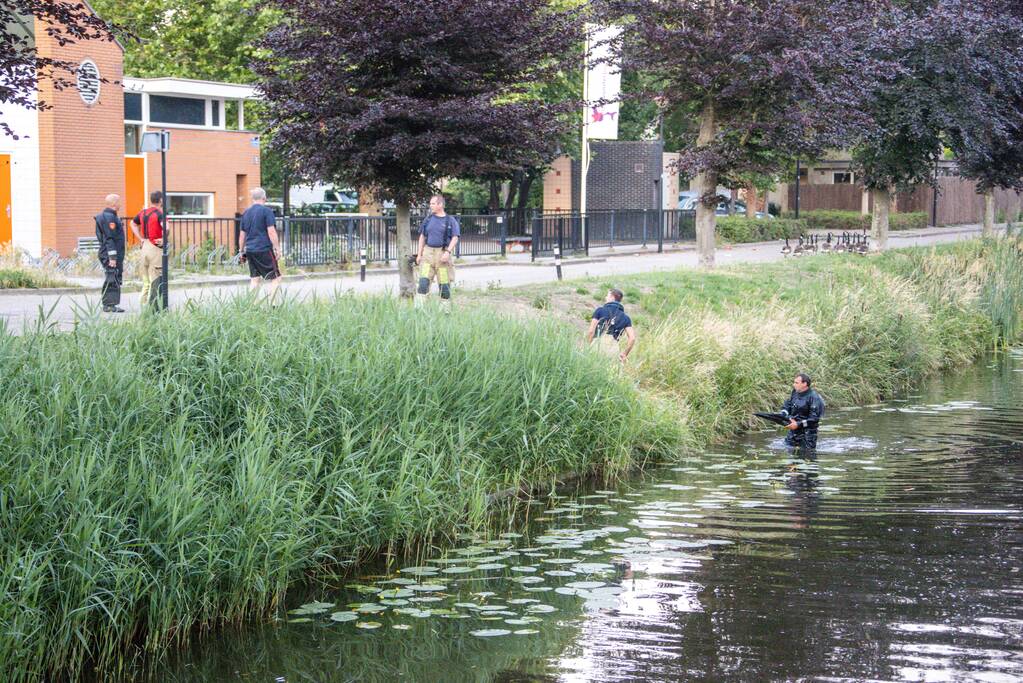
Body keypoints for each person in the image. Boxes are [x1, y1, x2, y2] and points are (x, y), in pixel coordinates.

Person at [415, 194, 460, 312]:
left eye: (433, 204)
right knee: (423, 283)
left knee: (444, 285)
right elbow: (422, 237)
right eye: (430, 204)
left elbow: (455, 237)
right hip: (428, 254)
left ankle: (445, 312)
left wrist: (448, 252)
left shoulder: (450, 220)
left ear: (440, 205)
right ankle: (419, 310)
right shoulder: (428, 219)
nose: (431, 206)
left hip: (442, 255)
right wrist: (419, 255)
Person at [238, 187, 283, 300]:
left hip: (250, 250)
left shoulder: (246, 213)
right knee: (276, 278)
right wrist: (277, 248)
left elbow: (242, 235)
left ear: (252, 199)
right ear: (264, 198)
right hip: (264, 249)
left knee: (255, 279)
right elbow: (271, 231)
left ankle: (251, 307)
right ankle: (273, 305)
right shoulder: (267, 212)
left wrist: (241, 251)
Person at [130, 190, 164, 309]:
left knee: (146, 282)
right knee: (155, 277)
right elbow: (166, 227)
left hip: (144, 246)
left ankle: (142, 306)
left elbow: (132, 224)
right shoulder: (160, 214)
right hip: (155, 247)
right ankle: (154, 307)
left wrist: (141, 238)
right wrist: (164, 238)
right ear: (160, 200)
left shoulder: (143, 213)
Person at [586, 288, 637, 363]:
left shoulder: (600, 310)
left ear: (612, 297)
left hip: (597, 346)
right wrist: (625, 354)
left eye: (607, 295)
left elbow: (591, 331)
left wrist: (587, 347)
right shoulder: (626, 318)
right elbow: (632, 338)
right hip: (613, 349)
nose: (605, 298)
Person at [95, 193, 125, 313]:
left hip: (108, 253)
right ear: (114, 203)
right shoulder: (109, 218)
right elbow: (109, 238)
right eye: (119, 201)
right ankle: (109, 305)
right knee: (112, 278)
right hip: (110, 254)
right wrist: (112, 257)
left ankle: (109, 304)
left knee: (113, 277)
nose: (120, 203)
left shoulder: (108, 216)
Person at [781, 372, 825, 450]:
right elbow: (788, 403)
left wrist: (798, 424)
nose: (793, 385)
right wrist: (784, 412)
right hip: (793, 433)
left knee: (806, 456)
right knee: (789, 453)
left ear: (804, 384)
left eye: (796, 383)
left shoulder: (814, 398)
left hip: (807, 435)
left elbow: (814, 420)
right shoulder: (795, 392)